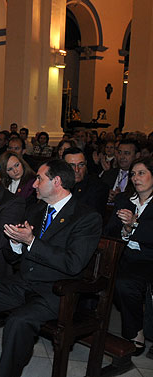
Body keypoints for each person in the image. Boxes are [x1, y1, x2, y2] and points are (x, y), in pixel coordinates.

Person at [0, 159, 102, 377]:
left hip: (56, 292)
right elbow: (16, 257)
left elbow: (72, 263)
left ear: (56, 182)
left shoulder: (86, 217)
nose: (34, 184)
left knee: (18, 322)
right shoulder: (36, 210)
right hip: (24, 282)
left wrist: (31, 242)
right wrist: (17, 244)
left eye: (39, 178)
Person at [105, 157, 153, 356]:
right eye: (133, 174)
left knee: (127, 282)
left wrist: (134, 225)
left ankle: (139, 331)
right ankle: (134, 331)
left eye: (141, 173)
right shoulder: (124, 200)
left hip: (149, 259)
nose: (135, 178)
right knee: (111, 277)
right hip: (124, 254)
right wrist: (125, 230)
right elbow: (109, 230)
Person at [63, 147, 109, 215]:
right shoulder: (57, 184)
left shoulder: (98, 187)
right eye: (71, 165)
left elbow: (91, 217)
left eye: (81, 165)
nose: (76, 170)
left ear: (86, 164)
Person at [102, 139, 140, 204]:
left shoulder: (140, 178)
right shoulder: (108, 174)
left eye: (127, 153)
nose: (122, 157)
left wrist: (119, 198)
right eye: (119, 152)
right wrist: (105, 195)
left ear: (137, 155)